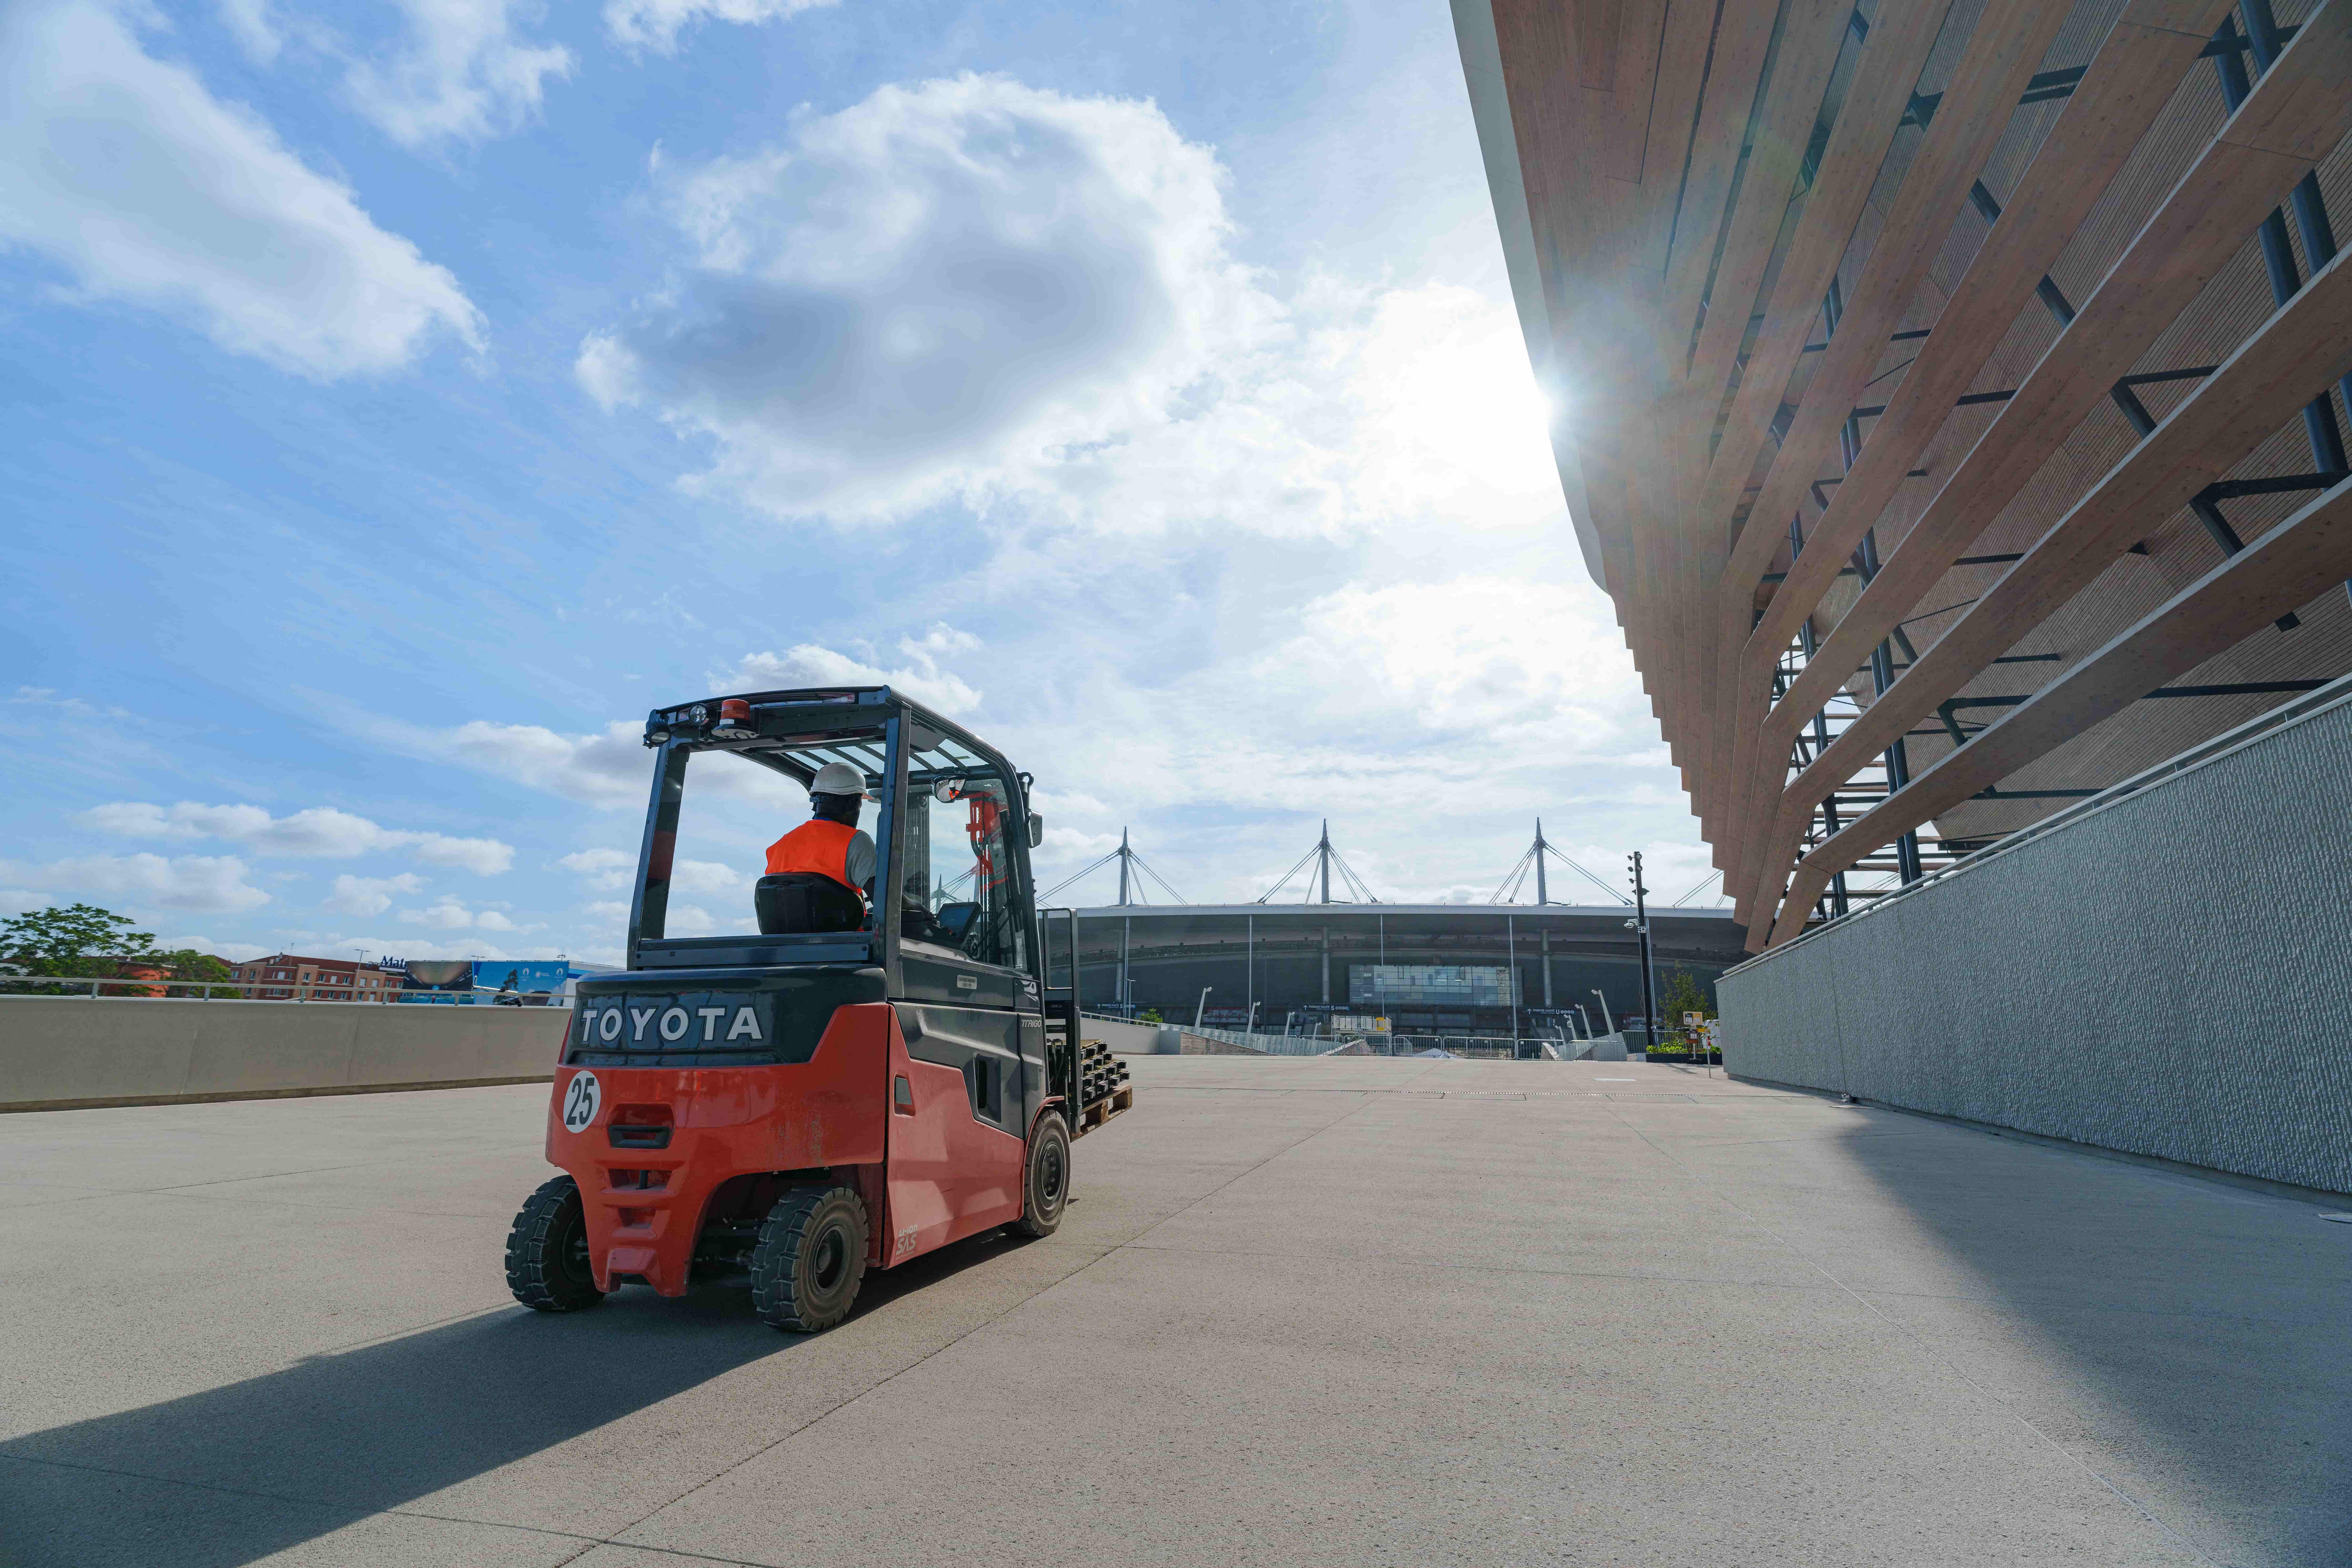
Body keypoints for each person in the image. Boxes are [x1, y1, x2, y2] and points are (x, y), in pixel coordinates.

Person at [764, 762, 877, 908]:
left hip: (784, 932)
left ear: (815, 804)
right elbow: (887, 902)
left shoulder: (780, 846)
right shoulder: (855, 841)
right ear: (853, 804)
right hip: (843, 932)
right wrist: (917, 906)